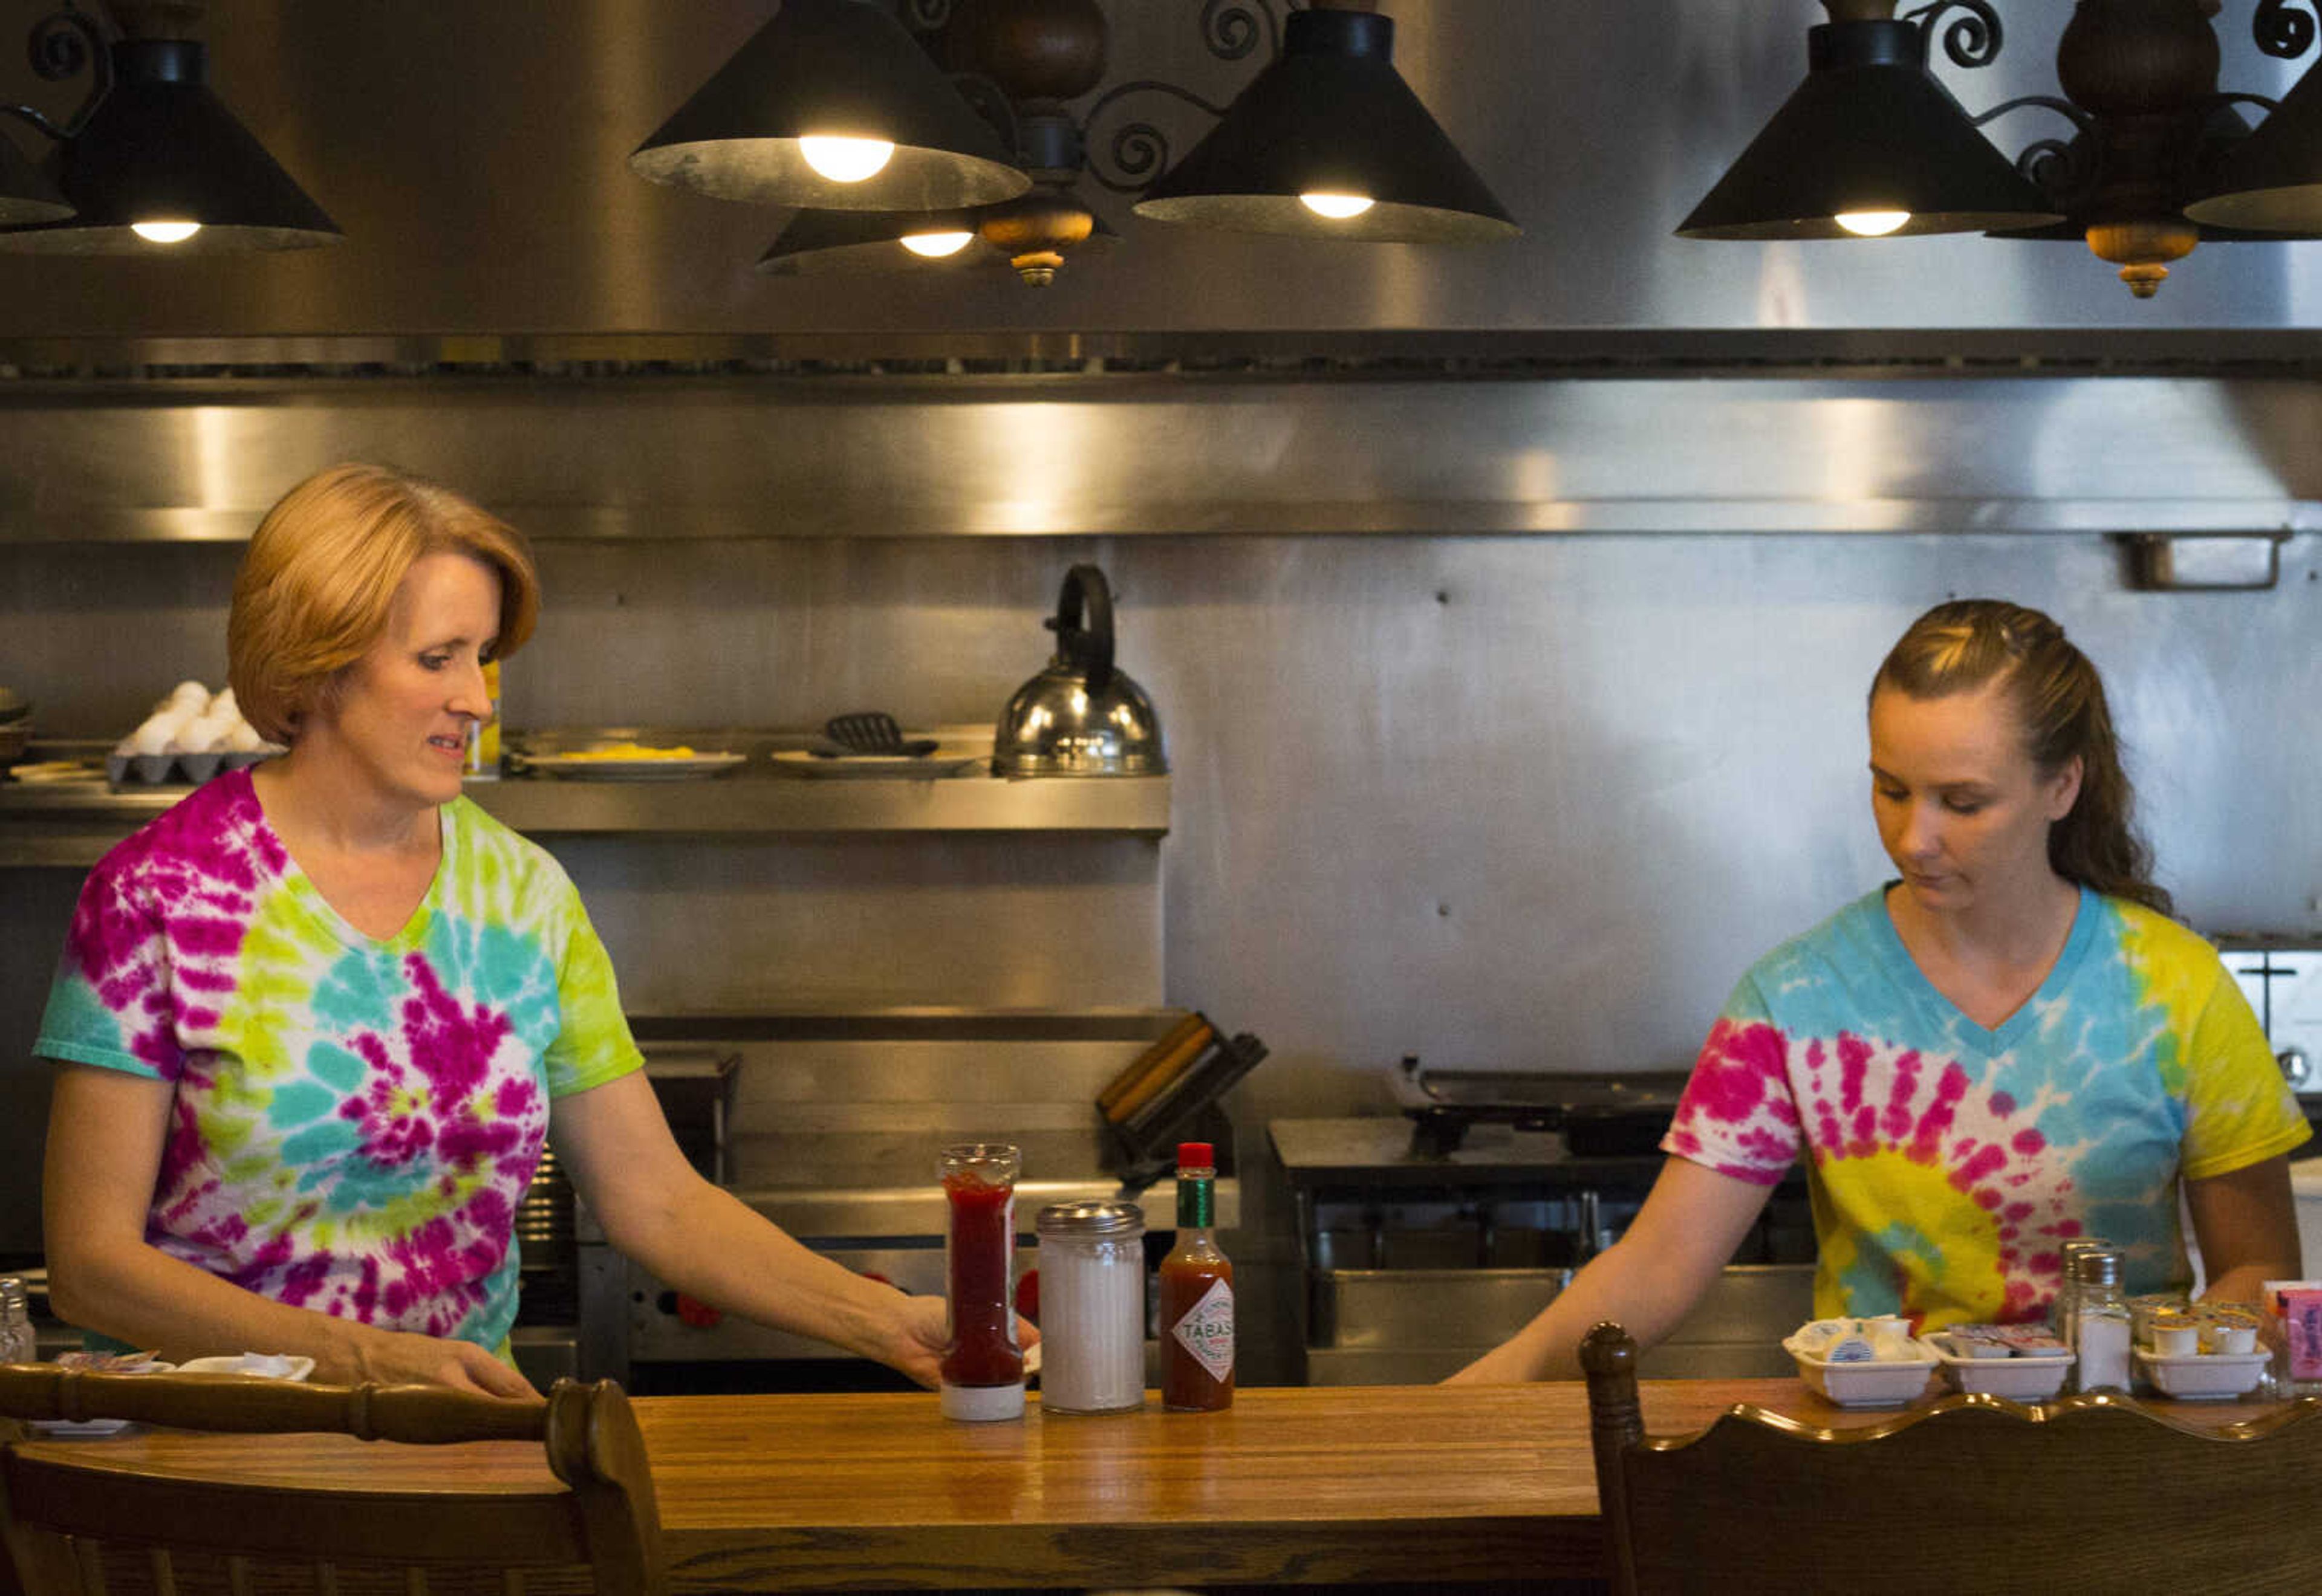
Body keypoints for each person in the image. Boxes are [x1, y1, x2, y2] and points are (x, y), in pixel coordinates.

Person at [36, 462, 982, 1397]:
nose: (480, 700)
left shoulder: (522, 897)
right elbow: (91, 1265)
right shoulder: (158, 895)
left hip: (462, 1475)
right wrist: (369, 1363)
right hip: (209, 1484)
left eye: (483, 657)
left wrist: (883, 1320)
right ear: (320, 661)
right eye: (438, 658)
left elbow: (658, 1201)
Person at [1451, 598, 2307, 1383]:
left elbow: (2258, 1265)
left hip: (2116, 1466)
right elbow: (1662, 1263)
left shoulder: (2177, 987)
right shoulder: (1796, 998)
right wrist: (1506, 1377)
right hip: (1878, 1469)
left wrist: (2191, 1358)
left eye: (1962, 802)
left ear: (2062, 786)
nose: (1914, 837)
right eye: (1891, 789)